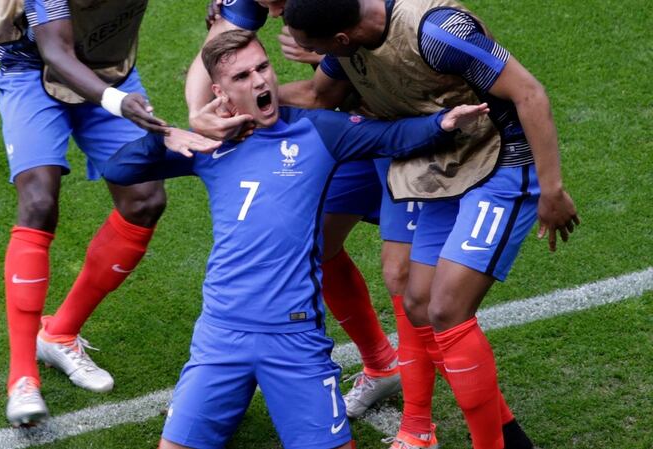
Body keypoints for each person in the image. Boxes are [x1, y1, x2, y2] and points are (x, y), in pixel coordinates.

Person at [102, 30, 488, 449]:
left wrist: (442, 122)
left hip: (294, 340)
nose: (260, 82)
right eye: (243, 77)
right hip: (219, 336)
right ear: (220, 92)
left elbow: (389, 137)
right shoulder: (211, 145)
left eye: (263, 68)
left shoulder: (318, 131)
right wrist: (167, 135)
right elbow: (119, 169)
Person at [281, 0, 580, 448]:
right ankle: (511, 439)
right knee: (418, 303)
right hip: (443, 168)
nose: (306, 54)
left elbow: (530, 93)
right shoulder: (347, 45)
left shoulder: (439, 33)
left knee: (446, 309)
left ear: (342, 40)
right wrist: (247, 97)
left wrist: (552, 190)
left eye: (311, 48)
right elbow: (320, 95)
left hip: (502, 164)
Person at [186, 0, 415, 418]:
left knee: (402, 274)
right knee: (318, 242)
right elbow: (215, 52)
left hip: (399, 128)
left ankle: (419, 424)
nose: (272, 14)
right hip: (350, 128)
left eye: (274, 4)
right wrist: (200, 114)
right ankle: (382, 363)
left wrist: (244, 107)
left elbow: (318, 93)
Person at [0, 0, 170, 426]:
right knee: (39, 203)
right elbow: (56, 54)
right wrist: (117, 102)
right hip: (33, 75)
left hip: (109, 69)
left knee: (145, 200)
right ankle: (22, 378)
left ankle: (58, 333)